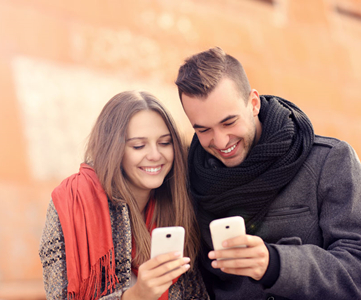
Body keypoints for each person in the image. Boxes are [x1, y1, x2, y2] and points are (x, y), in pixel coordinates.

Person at [175, 47, 361, 299]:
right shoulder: (189, 178)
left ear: (253, 103)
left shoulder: (330, 160)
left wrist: (275, 265)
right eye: (203, 129)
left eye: (229, 122)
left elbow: (356, 266)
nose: (220, 141)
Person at [39, 91, 209, 300]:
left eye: (165, 143)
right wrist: (135, 297)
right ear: (113, 149)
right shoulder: (72, 201)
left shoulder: (179, 199)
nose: (155, 155)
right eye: (138, 145)